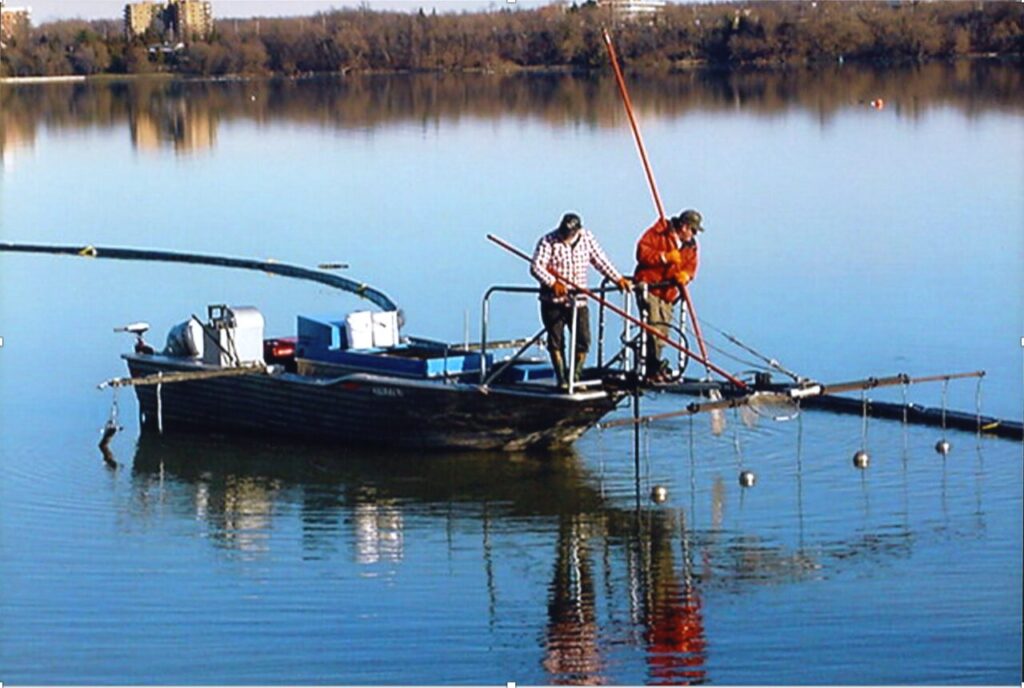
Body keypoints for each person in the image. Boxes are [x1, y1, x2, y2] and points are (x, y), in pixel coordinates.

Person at [531, 212, 630, 389]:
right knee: (556, 339)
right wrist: (553, 282)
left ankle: (575, 377)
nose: (565, 236)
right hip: (553, 300)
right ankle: (562, 378)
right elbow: (536, 267)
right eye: (563, 232)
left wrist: (618, 279)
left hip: (579, 300)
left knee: (583, 339)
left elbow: (600, 261)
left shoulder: (587, 238)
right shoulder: (548, 241)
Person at [633, 209, 704, 383]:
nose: (694, 234)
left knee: (663, 333)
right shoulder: (658, 232)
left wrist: (686, 275)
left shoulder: (691, 245)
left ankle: (654, 366)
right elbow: (642, 253)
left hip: (668, 293)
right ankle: (651, 367)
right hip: (650, 286)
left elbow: (691, 265)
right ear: (684, 227)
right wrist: (664, 257)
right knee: (653, 327)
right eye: (693, 230)